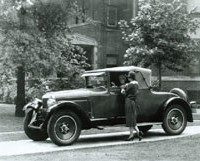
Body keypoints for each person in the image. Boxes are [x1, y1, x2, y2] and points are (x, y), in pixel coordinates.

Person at [121, 71, 142, 141]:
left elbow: (124, 92)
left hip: (128, 101)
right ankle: (138, 132)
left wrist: (122, 89)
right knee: (133, 118)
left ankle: (131, 135)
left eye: (129, 77)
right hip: (133, 102)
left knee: (129, 119)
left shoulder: (130, 85)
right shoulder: (136, 84)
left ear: (130, 78)